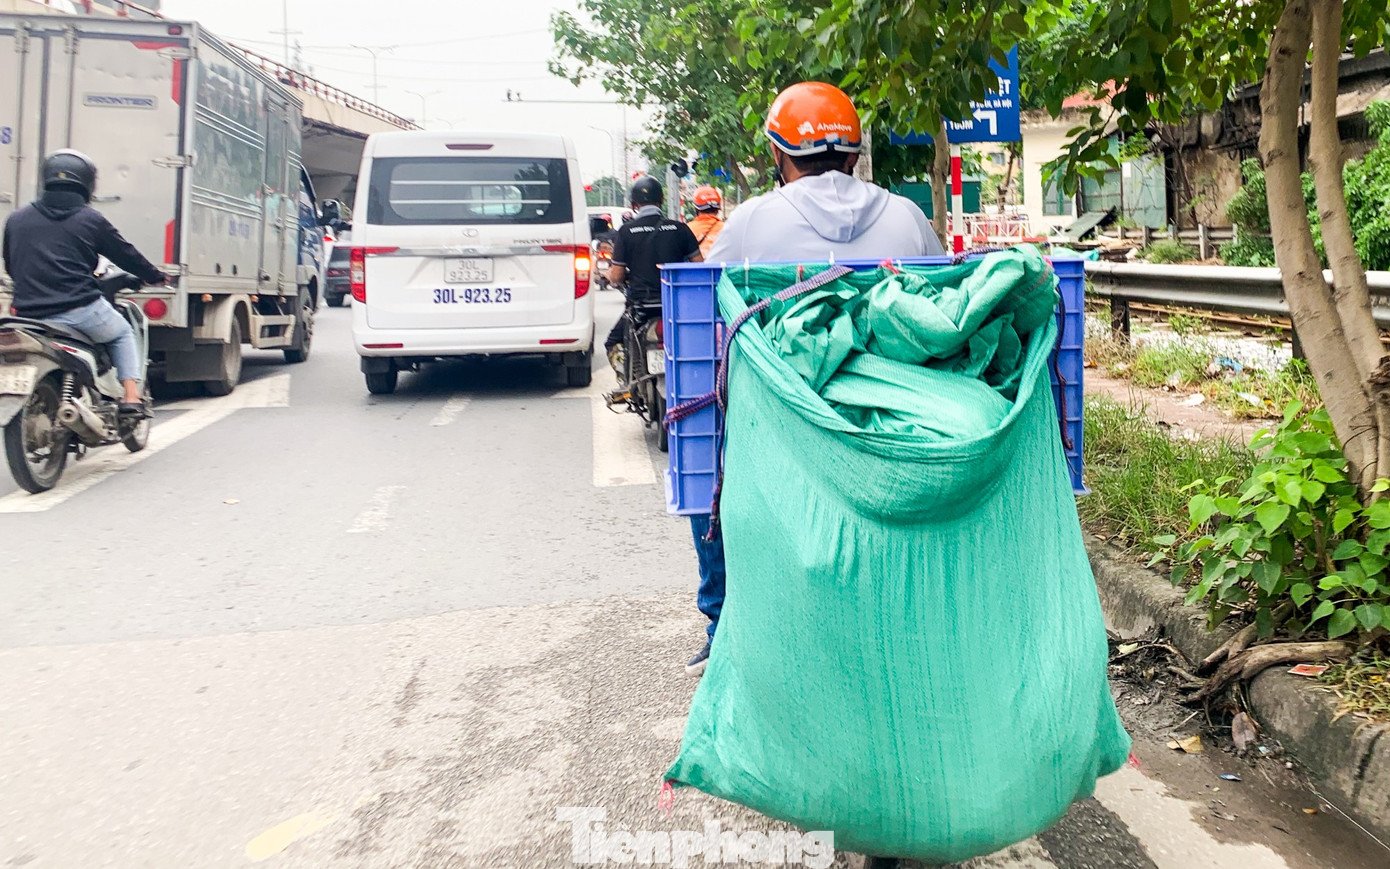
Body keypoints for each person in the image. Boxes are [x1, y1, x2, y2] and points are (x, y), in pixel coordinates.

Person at [683, 81, 945, 677]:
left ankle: (723, 626)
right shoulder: (907, 217)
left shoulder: (749, 223)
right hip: (894, 421)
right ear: (854, 154)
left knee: (709, 474)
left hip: (783, 426)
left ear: (779, 156)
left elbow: (700, 311)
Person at [2, 150, 167, 416]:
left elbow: (11, 265)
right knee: (122, 333)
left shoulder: (16, 219)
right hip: (80, 311)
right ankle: (132, 397)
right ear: (87, 183)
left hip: (27, 314)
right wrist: (154, 276)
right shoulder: (91, 219)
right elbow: (126, 255)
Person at [604, 176, 702, 371]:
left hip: (641, 307)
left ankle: (626, 379)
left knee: (612, 342)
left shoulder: (626, 232)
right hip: (676, 306)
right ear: (662, 201)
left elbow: (616, 277)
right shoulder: (680, 228)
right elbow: (699, 267)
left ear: (634, 205)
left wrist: (611, 276)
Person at [688, 185, 725, 258]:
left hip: (695, 269)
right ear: (718, 209)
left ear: (696, 209)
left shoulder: (687, 229)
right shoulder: (727, 228)